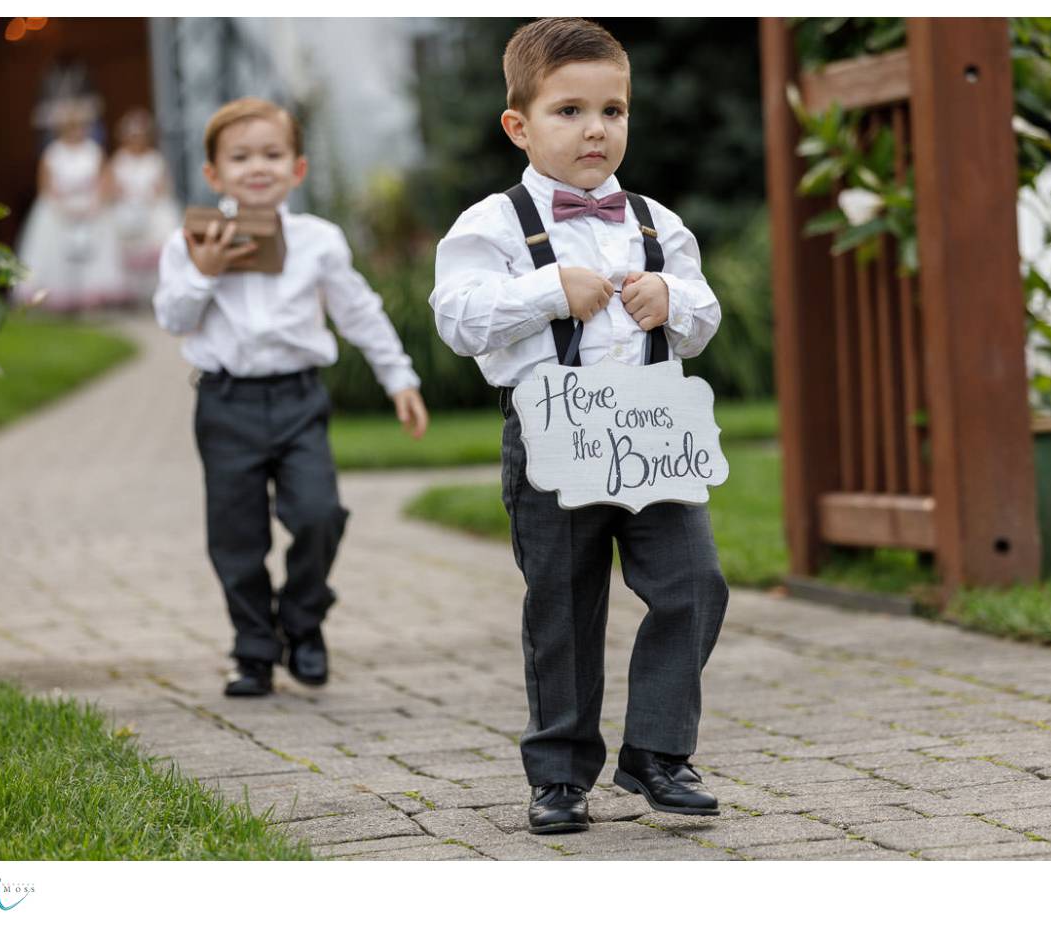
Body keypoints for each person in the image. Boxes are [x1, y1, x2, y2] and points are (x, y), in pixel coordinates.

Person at [430, 18, 729, 834]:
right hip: (553, 438)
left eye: (613, 110)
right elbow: (456, 316)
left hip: (654, 435)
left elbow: (702, 313)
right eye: (569, 111)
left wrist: (674, 300)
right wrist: (546, 290)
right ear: (519, 126)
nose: (596, 128)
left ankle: (659, 753)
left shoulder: (656, 223)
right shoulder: (491, 225)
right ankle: (560, 772)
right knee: (563, 604)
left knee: (694, 584)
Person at [154, 97, 429, 697]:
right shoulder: (190, 239)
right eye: (241, 157)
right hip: (226, 404)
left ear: (297, 169)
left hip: (299, 400)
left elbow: (358, 310)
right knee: (236, 536)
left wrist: (399, 377)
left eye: (273, 155)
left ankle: (302, 623)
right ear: (214, 174)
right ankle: (253, 649)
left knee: (318, 514)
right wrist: (203, 270)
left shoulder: (319, 241)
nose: (258, 167)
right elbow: (172, 318)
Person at [13, 99, 127, 311]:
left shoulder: (94, 151)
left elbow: (106, 181)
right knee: (56, 254)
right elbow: (45, 187)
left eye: (80, 126)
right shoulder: (52, 153)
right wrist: (64, 207)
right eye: (71, 126)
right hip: (58, 212)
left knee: (94, 253)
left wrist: (94, 203)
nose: (76, 130)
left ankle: (92, 298)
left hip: (92, 209)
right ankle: (60, 300)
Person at [107, 109, 179, 304]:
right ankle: (133, 294)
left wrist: (147, 198)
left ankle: (158, 291)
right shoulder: (119, 160)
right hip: (126, 211)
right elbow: (111, 188)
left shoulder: (155, 159)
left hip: (153, 210)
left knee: (158, 245)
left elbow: (163, 187)